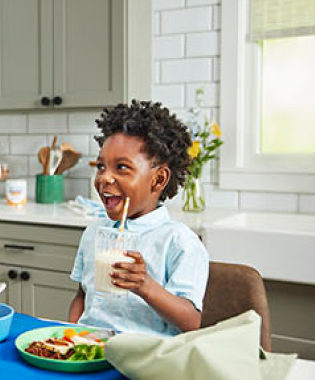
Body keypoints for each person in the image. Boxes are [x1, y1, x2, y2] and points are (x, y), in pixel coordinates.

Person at [67, 100, 209, 336]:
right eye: (101, 167)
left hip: (146, 360)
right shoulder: (94, 233)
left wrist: (145, 286)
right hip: (89, 350)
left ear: (159, 179)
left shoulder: (179, 241)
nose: (105, 178)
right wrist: (70, 333)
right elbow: (82, 296)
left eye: (121, 167)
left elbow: (191, 321)